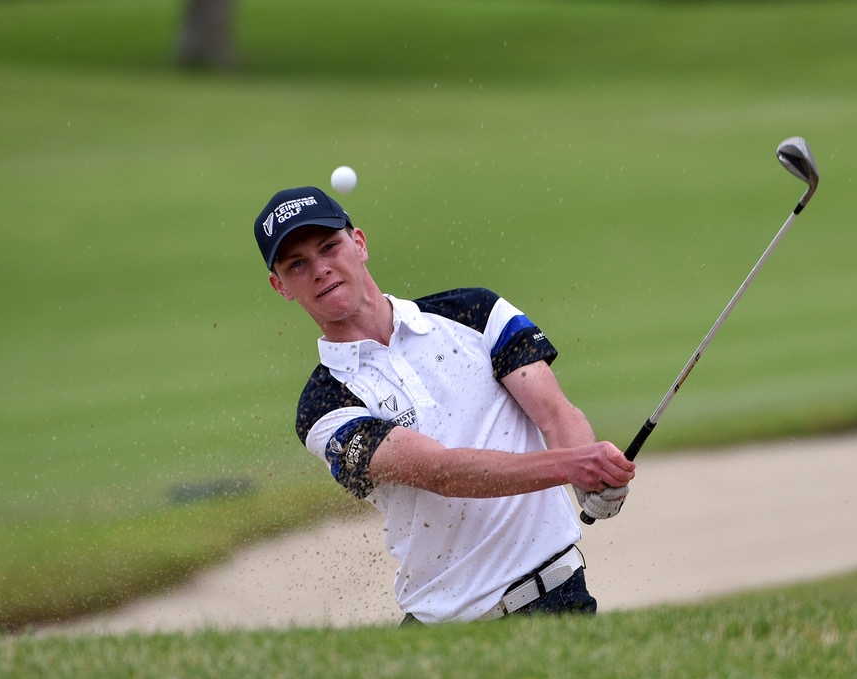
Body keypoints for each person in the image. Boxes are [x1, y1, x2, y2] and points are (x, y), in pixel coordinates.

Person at [254, 186, 635, 624]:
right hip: (444, 626)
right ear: (279, 286)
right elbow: (441, 472)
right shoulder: (322, 406)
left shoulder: (475, 312)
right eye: (297, 264)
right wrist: (571, 466)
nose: (320, 270)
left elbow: (555, 413)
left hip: (556, 599)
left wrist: (591, 480)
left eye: (329, 247)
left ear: (358, 243)